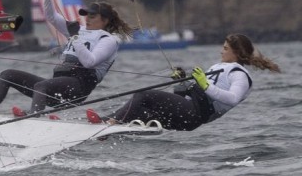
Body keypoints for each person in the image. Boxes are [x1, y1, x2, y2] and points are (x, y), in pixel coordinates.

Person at [0, 0, 133, 116]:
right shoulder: (79, 30)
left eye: (92, 16)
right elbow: (52, 17)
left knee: (41, 85)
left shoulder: (108, 40)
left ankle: (34, 117)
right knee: (7, 74)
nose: (87, 18)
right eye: (86, 14)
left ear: (105, 20)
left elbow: (89, 62)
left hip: (78, 88)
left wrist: (75, 36)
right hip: (57, 86)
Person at [86, 33, 281, 130]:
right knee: (140, 110)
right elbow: (186, 94)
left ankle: (108, 123)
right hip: (188, 108)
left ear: (236, 52)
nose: (221, 51)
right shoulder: (218, 67)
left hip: (195, 114)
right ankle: (97, 125)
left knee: (144, 95)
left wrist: (205, 84)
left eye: (225, 48)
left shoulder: (240, 75)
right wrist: (181, 81)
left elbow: (231, 98)